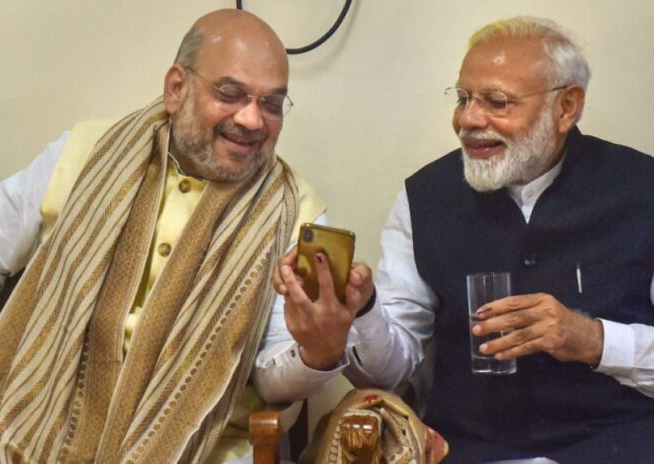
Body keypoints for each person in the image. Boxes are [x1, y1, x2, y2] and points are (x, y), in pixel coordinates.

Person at [0, 9, 367, 463]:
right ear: (176, 88)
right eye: (230, 94)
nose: (253, 120)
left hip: (199, 449)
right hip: (35, 431)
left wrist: (317, 353)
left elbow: (271, 383)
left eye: (271, 104)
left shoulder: (296, 214)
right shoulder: (84, 153)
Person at [266, 16, 654, 463]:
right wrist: (363, 310)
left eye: (497, 102)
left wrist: (592, 339)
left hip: (620, 446)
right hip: (469, 450)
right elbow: (390, 373)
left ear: (566, 107)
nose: (468, 119)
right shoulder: (425, 198)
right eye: (464, 98)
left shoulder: (641, 189)